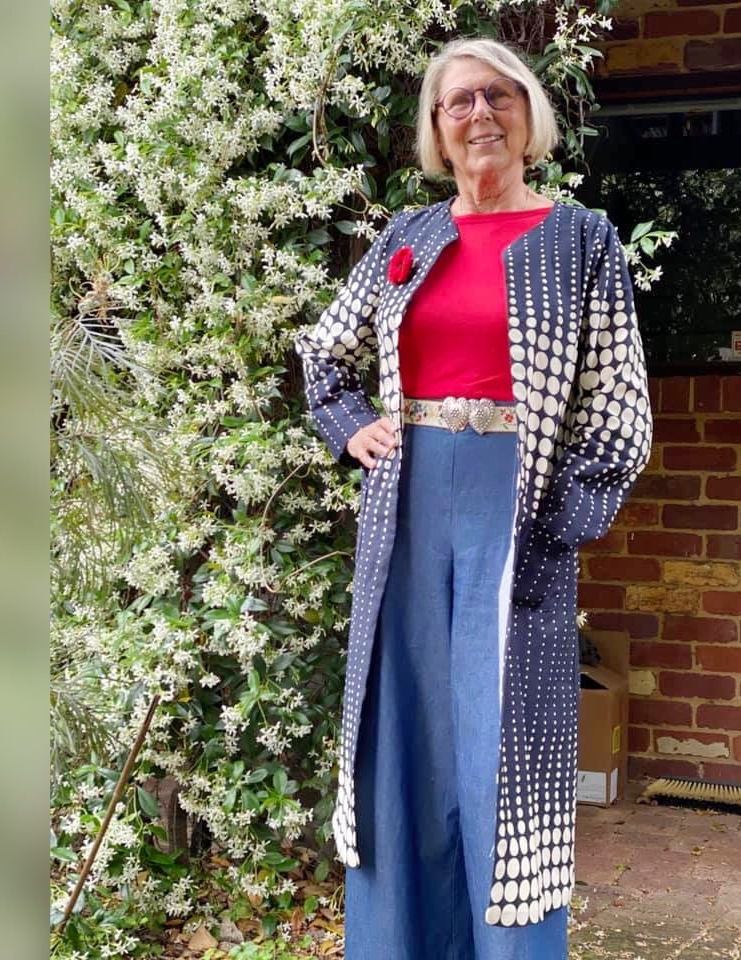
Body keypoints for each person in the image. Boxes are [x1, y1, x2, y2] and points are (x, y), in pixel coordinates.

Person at [296, 37, 652, 960]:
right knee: (403, 735)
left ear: (530, 117)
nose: (480, 114)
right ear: (437, 130)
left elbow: (620, 406)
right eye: (459, 101)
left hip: (516, 510)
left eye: (499, 96)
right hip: (407, 506)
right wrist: (352, 426)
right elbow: (323, 353)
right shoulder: (405, 239)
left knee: (506, 745)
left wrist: (557, 521)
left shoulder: (582, 240)